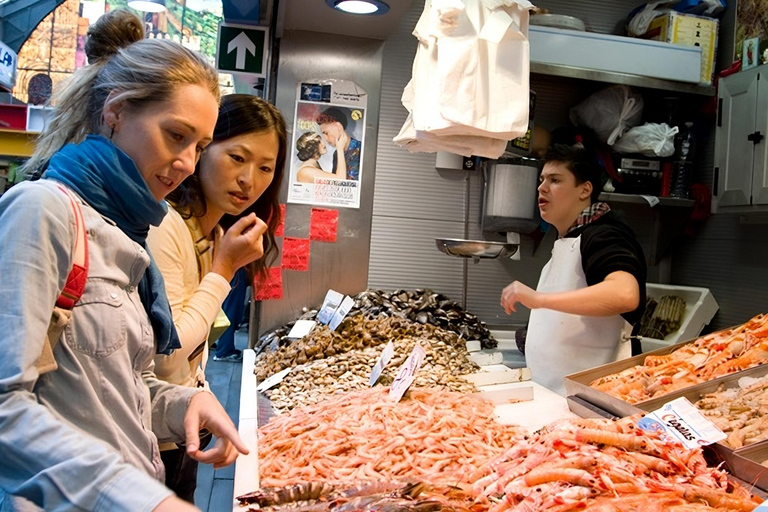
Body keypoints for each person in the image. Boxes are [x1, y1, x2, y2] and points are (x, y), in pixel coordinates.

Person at [0, 10, 247, 512]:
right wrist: (142, 501)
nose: (185, 163)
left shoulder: (125, 231)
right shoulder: (42, 211)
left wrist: (182, 405)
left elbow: (104, 394)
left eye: (199, 146)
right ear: (115, 110)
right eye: (175, 135)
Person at [147, 94, 286, 500]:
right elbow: (167, 351)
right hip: (148, 434)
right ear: (203, 150)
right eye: (237, 158)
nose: (249, 180)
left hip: (179, 426)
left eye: (265, 168)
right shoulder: (165, 225)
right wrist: (224, 270)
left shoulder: (214, 234)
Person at [500, 144, 647, 396]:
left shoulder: (604, 234)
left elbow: (625, 294)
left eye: (555, 180)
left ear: (585, 190)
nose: (542, 187)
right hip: (558, 396)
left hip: (595, 401)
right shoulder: (567, 240)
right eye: (542, 180)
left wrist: (539, 300)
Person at [317, 107, 361, 181]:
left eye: (326, 133)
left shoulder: (361, 149)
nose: (326, 139)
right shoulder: (336, 153)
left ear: (338, 127)